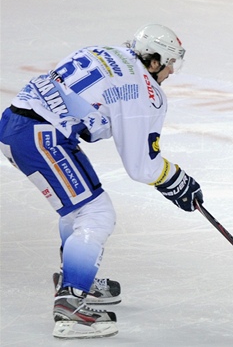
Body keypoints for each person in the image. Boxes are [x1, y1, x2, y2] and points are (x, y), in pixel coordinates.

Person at [0, 24, 204, 338]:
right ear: (154, 60)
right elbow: (141, 167)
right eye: (170, 62)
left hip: (16, 123)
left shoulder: (104, 52)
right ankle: (71, 305)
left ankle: (76, 277)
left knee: (79, 209)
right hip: (41, 137)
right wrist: (177, 180)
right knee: (97, 214)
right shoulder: (142, 89)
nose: (172, 71)